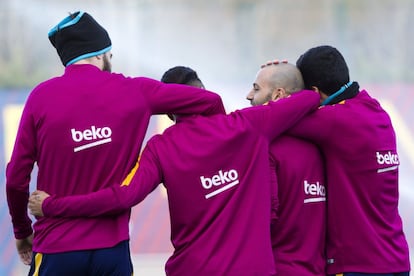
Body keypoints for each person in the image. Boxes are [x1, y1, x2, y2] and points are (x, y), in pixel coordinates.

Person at [27, 64, 321, 275]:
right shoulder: (246, 126)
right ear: (204, 93)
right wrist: (283, 68)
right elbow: (308, 98)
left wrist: (54, 205)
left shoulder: (161, 148)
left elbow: (121, 197)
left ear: (169, 109)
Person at [5, 11, 226, 275]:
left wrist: (21, 231)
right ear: (99, 54)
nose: (111, 59)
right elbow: (210, 101)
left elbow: (16, 179)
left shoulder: (41, 97)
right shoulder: (136, 92)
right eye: (110, 53)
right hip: (113, 252)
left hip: (56, 248)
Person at [290, 45, 411, 275]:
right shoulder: (376, 110)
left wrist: (280, 90)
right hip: (397, 261)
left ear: (314, 92)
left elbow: (273, 118)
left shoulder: (335, 121)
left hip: (359, 265)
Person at [246, 62, 326, 275]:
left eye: (256, 88)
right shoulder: (323, 144)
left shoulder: (265, 148)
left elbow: (262, 221)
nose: (248, 95)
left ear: (278, 95)